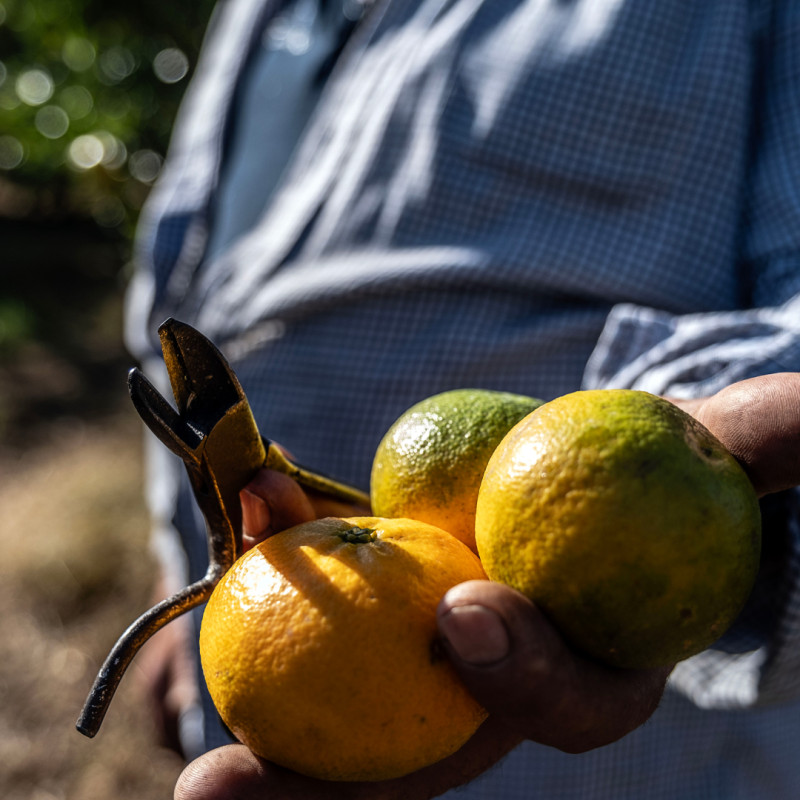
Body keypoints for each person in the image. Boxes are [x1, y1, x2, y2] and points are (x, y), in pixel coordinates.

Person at [124, 1, 800, 797]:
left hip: (615, 742)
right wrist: (180, 568)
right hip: (268, 627)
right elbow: (186, 277)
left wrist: (686, 505)